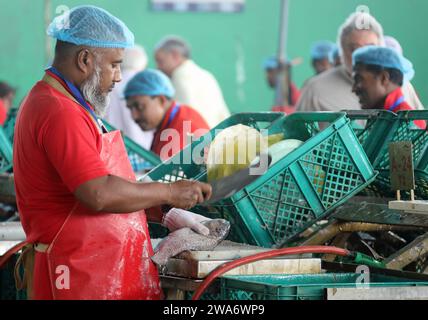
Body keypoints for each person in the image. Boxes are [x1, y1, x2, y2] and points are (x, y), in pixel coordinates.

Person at [13, 5, 213, 300]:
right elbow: (97, 193)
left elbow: (98, 185)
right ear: (85, 60)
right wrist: (168, 191)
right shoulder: (60, 111)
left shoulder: (67, 104)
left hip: (93, 267)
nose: (118, 76)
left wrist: (164, 212)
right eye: (114, 65)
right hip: (76, 274)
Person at [296, 12, 424, 112]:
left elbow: (420, 132)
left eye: (371, 47)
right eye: (354, 49)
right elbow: (297, 136)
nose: (363, 55)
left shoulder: (402, 86)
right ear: (341, 51)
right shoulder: (315, 89)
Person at [124, 69, 210, 160]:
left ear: (161, 100)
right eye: (130, 108)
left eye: (139, 107)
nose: (134, 116)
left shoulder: (183, 131)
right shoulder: (176, 116)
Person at [154, 36, 230, 128]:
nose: (158, 68)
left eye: (160, 61)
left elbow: (185, 122)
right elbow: (224, 115)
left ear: (175, 55)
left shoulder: (179, 79)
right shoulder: (207, 75)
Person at [352, 46, 425, 129]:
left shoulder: (408, 122)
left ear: (384, 78)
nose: (353, 89)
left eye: (358, 79)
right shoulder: (384, 117)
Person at [105, 45, 154, 150]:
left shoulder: (110, 85)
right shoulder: (149, 86)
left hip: (115, 146)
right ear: (143, 63)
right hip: (144, 151)